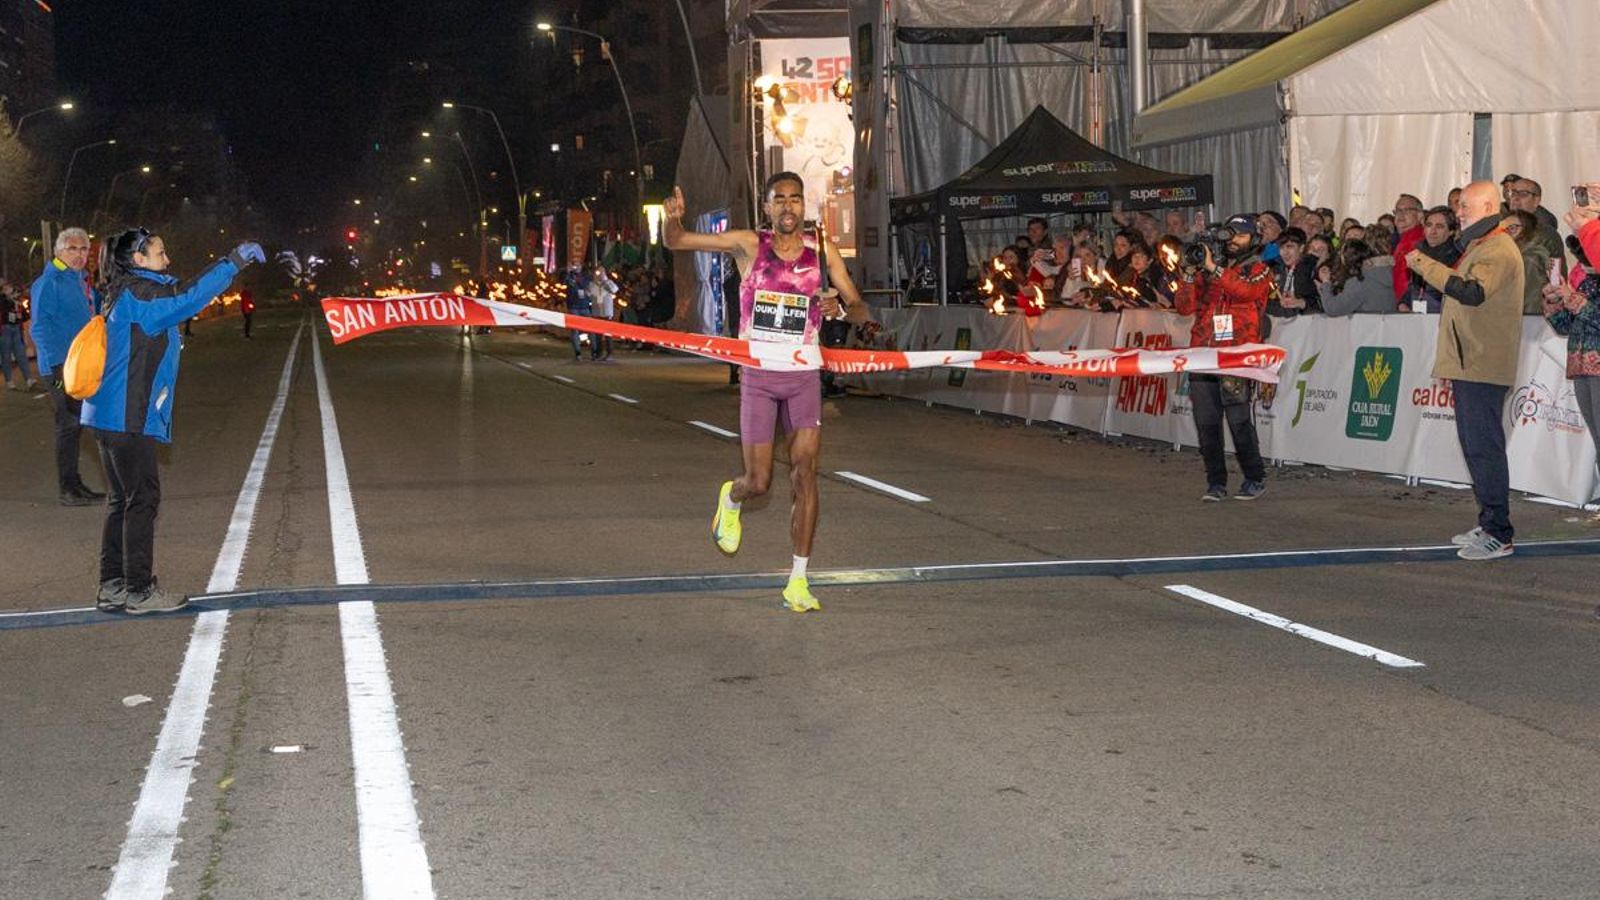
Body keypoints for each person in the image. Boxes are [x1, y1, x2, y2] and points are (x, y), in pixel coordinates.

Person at [663, 173, 869, 612]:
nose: (789, 207)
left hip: (802, 377)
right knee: (760, 482)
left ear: (804, 206)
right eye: (780, 200)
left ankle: (798, 579)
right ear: (767, 207)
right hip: (758, 377)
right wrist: (672, 221)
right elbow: (678, 242)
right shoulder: (748, 246)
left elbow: (860, 307)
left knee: (805, 472)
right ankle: (731, 497)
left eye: (796, 200)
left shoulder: (822, 252)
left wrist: (841, 306)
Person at [83, 228, 263, 612]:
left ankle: (112, 585)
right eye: (160, 253)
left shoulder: (122, 291)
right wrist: (232, 262)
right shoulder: (142, 295)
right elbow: (188, 296)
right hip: (127, 416)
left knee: (122, 500)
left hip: (108, 414)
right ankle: (139, 591)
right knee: (142, 500)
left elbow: (177, 293)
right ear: (139, 259)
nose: (167, 259)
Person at [1405, 181, 1525, 560]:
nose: (1458, 212)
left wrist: (1424, 264)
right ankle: (1490, 521)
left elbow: (1472, 292)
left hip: (1481, 361)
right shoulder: (1481, 245)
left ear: (1489, 205)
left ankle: (1499, 532)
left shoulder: (1498, 248)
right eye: (1458, 206)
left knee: (1484, 449)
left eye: (1465, 207)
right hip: (1471, 360)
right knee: (1476, 447)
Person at [1173, 214, 1273, 502]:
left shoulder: (1260, 269)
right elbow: (1183, 307)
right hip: (1203, 352)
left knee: (1239, 420)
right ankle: (1215, 482)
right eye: (1230, 234)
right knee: (1206, 422)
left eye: (1240, 235)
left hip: (1237, 354)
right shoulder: (1210, 270)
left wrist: (1213, 268)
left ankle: (1254, 477)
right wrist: (1189, 274)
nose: (1233, 241)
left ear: (1253, 240)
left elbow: (1244, 292)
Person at [28, 227, 107, 506]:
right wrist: (56, 365)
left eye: (84, 249)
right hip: (61, 368)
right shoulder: (49, 282)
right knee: (69, 423)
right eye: (72, 249)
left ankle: (74, 485)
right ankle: (69, 489)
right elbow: (39, 328)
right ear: (59, 251)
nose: (79, 255)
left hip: (82, 365)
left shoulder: (82, 281)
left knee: (76, 425)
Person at [1547, 201, 1600, 517]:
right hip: (1582, 365)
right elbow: (1566, 327)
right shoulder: (1584, 279)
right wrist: (1555, 303)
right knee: (1595, 434)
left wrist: (1575, 301)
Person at [1318, 239, 1398, 316]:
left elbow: (1333, 308)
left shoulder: (1360, 282)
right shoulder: (1384, 274)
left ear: (1346, 259)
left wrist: (1325, 283)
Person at [1404, 206, 1460, 313]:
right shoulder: (1417, 253)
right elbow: (1413, 286)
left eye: (1439, 226)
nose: (1433, 231)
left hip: (1443, 316)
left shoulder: (1458, 257)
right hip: (1417, 317)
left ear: (1451, 231)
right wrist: (1404, 302)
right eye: (1429, 225)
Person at [1504, 209, 1552, 315]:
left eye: (1512, 228)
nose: (1506, 234)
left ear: (1527, 230)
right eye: (1503, 229)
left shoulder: (1529, 259)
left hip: (1528, 322)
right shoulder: (1517, 255)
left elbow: (1530, 302)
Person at [0, 280, 41, 392]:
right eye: (7, 289)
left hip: (16, 329)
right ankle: (9, 381)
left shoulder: (16, 301)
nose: (11, 291)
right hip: (5, 329)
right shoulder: (3, 300)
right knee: (6, 356)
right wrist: (10, 299)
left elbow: (24, 316)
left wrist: (19, 306)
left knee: (21, 355)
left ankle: (29, 379)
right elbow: (4, 308)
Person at [1269, 227, 1319, 317]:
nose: (1285, 252)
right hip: (1281, 327)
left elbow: (1327, 303)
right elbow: (1267, 302)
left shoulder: (1314, 269)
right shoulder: (1274, 270)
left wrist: (1303, 303)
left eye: (1290, 247)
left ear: (1301, 248)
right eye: (1281, 248)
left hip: (1311, 326)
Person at [1390, 194, 1427, 303]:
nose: (1400, 215)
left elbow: (1403, 282)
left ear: (1420, 216)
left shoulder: (1419, 242)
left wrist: (1400, 303)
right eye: (1397, 211)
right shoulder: (1398, 240)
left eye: (1407, 210)